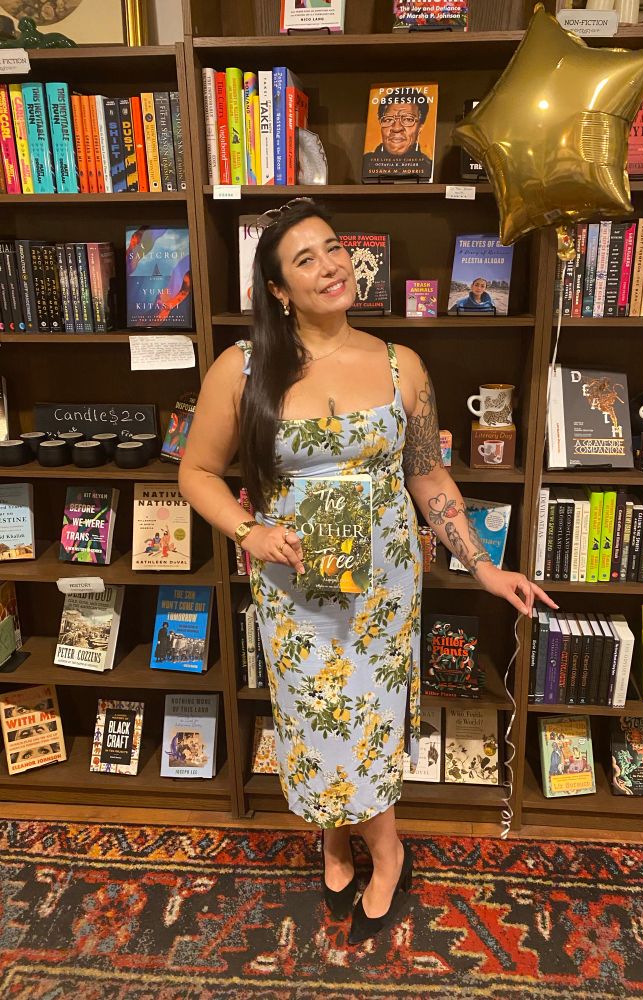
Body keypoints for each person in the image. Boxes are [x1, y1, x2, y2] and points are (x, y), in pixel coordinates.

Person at [178, 198, 556, 946]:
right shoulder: (242, 367)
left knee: (371, 722)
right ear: (278, 288)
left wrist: (484, 566)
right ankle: (342, 840)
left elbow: (428, 477)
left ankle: (382, 850)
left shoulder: (400, 364)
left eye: (334, 248)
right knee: (315, 721)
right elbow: (196, 472)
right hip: (296, 591)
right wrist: (249, 531)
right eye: (306, 259)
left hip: (384, 590)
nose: (331, 266)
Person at [361, 92, 433, 181]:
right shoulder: (364, 165)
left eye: (408, 119)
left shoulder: (429, 168)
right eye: (388, 119)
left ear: (420, 128)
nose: (396, 128)